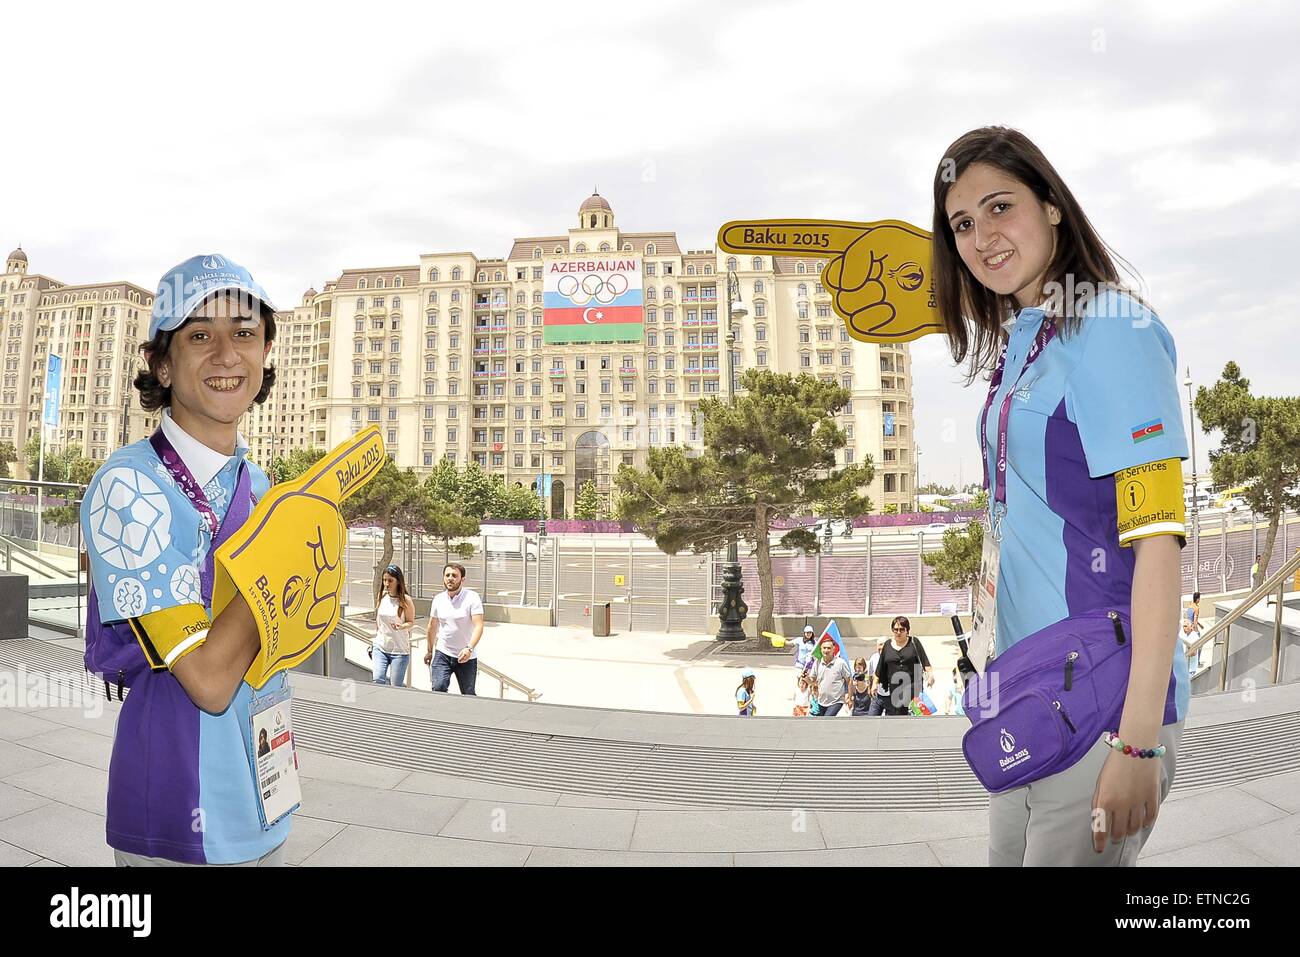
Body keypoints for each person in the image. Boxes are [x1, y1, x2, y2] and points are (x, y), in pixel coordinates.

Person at [933, 126, 1191, 865]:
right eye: (961, 224)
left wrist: (1138, 738)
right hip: (1030, 690)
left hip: (1103, 694)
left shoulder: (1113, 328)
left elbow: (1159, 539)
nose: (982, 236)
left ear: (1052, 206)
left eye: (999, 207)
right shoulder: (1028, 341)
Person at [81, 254, 295, 866]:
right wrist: (283, 568)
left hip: (264, 784)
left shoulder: (257, 481)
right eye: (200, 335)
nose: (227, 354)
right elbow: (205, 679)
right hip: (181, 805)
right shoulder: (130, 488)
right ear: (162, 365)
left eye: (245, 334)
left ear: (266, 352)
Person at [424, 563, 485, 695]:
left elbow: (479, 625)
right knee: (438, 688)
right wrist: (429, 651)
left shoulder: (472, 597)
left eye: (454, 575)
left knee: (468, 694)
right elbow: (432, 626)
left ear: (462, 579)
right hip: (442, 653)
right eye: (447, 575)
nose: (450, 578)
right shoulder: (438, 599)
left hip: (466, 656)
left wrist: (469, 648)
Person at [873, 616, 933, 715]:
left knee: (910, 711)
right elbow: (880, 666)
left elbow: (925, 662)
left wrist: (930, 675)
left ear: (907, 630)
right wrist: (875, 683)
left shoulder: (914, 642)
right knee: (900, 715)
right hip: (895, 689)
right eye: (895, 630)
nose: (898, 632)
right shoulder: (887, 645)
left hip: (913, 686)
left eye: (902, 629)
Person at [373, 564, 416, 686]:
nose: (386, 584)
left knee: (395, 686)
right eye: (384, 580)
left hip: (399, 650)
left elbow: (411, 621)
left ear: (398, 582)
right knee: (377, 680)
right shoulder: (382, 597)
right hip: (380, 647)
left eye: (390, 581)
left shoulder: (406, 600)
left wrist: (402, 626)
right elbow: (378, 620)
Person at [808, 634, 853, 717]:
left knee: (826, 720)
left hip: (836, 701)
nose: (826, 650)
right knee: (823, 724)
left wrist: (850, 697)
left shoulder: (840, 663)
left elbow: (849, 679)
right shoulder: (817, 663)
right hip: (821, 701)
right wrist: (806, 679)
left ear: (833, 649)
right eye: (824, 648)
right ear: (821, 649)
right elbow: (813, 682)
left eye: (829, 648)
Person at [866, 637, 891, 716]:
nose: (881, 647)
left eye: (883, 644)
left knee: (891, 723)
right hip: (877, 696)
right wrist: (870, 688)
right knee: (871, 720)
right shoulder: (873, 658)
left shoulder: (893, 657)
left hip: (891, 697)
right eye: (879, 645)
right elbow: (870, 675)